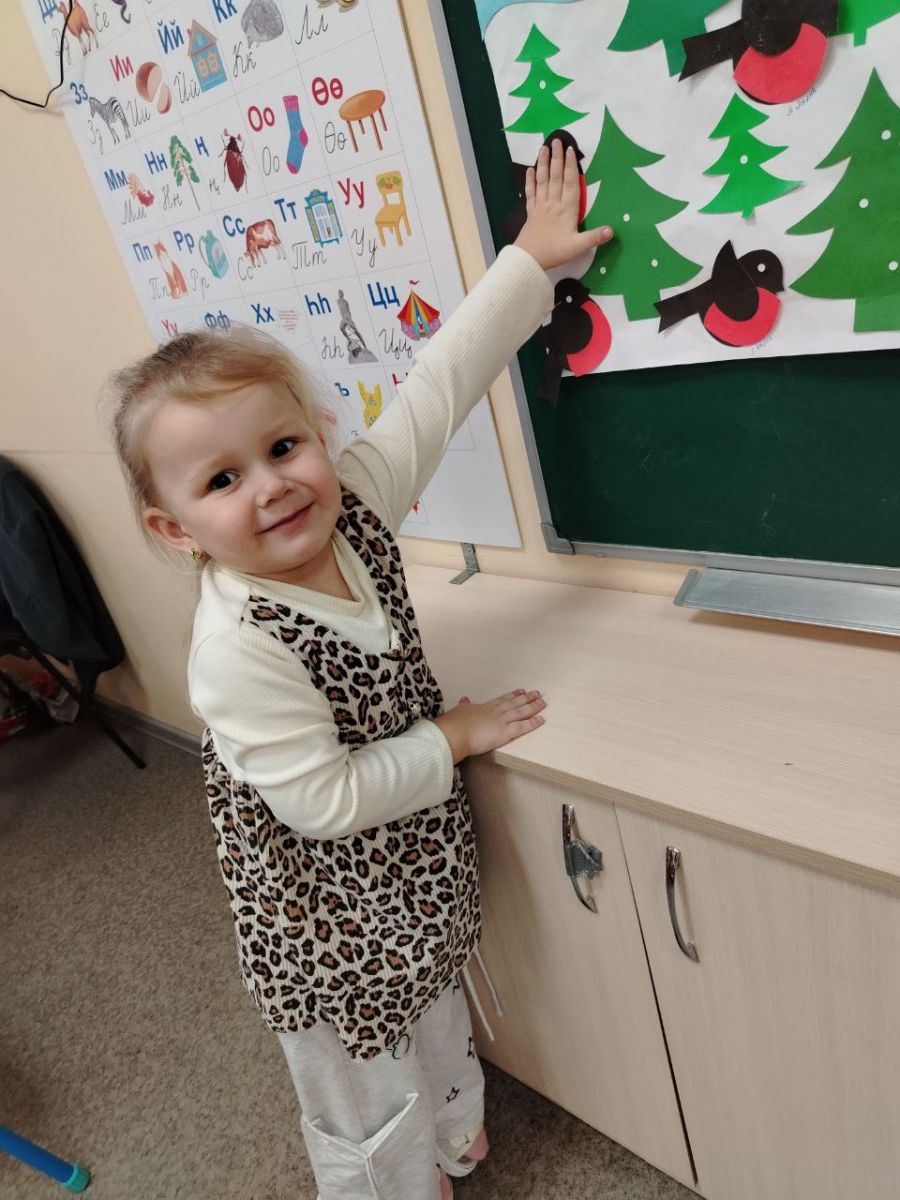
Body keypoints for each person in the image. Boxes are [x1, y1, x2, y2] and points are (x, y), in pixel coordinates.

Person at [107, 140, 613, 1199]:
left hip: (406, 865)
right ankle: (390, 1184)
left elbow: (438, 387)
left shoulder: (356, 508)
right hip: (321, 918)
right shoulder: (237, 648)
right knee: (363, 1080)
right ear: (175, 528)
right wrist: (455, 736)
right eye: (221, 480)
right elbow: (327, 801)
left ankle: (454, 1140)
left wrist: (530, 260)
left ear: (319, 437)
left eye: (283, 448)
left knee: (433, 1007)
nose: (271, 486)